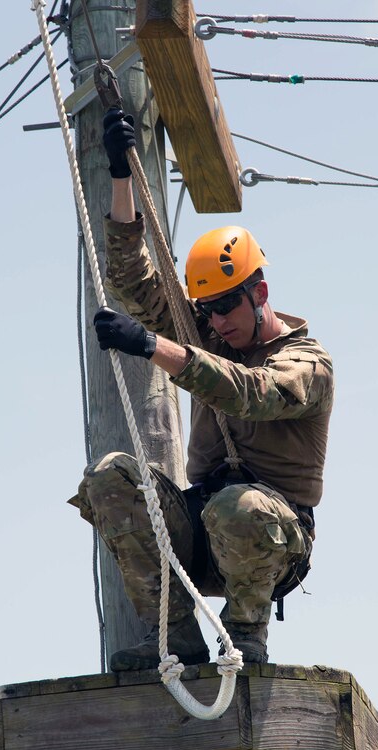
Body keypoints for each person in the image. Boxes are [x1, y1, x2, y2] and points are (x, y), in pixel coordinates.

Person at [69, 109, 334, 670]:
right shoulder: (209, 332)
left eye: (226, 306)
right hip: (204, 526)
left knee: (238, 506)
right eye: (205, 311)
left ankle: (245, 639)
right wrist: (122, 176)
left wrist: (152, 347)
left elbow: (250, 392)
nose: (215, 323)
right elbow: (133, 279)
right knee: (109, 478)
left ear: (259, 291)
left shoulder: (307, 363)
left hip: (269, 538)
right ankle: (174, 637)